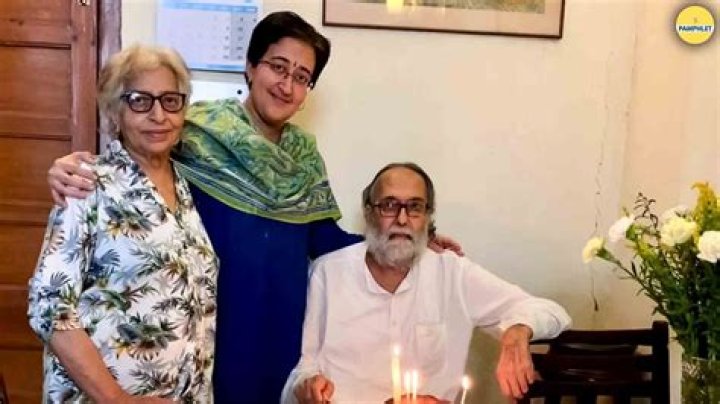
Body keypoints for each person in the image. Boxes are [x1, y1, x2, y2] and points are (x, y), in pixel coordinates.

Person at [45, 12, 461, 402]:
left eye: (302, 77)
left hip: (282, 338)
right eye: (278, 67)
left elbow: (325, 240)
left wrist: (406, 238)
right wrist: (70, 168)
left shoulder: (304, 160)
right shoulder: (193, 137)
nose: (286, 85)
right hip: (210, 340)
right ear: (250, 67)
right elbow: (137, 160)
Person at [282, 163, 571, 404]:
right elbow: (303, 370)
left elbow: (553, 313)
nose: (402, 219)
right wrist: (306, 386)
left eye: (415, 207)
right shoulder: (328, 273)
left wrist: (518, 331)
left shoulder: (453, 273)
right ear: (369, 212)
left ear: (427, 216)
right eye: (389, 206)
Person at [28, 44, 218, 403]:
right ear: (115, 112)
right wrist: (117, 399)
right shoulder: (87, 183)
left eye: (170, 101)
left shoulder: (188, 186)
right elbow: (49, 307)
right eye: (140, 101)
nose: (159, 115)